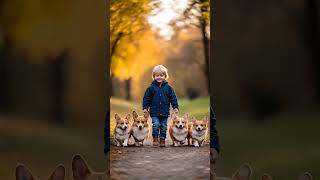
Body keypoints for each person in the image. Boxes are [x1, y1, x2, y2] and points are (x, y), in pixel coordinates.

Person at [142, 65, 179, 147]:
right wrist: (145, 108)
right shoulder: (151, 88)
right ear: (154, 76)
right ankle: (155, 139)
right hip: (155, 112)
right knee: (156, 125)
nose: (159, 77)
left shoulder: (169, 88)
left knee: (164, 126)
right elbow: (146, 98)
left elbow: (173, 98)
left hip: (165, 112)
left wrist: (175, 107)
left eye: (161, 75)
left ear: (165, 76)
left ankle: (162, 140)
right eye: (157, 75)